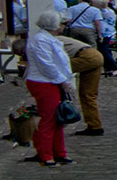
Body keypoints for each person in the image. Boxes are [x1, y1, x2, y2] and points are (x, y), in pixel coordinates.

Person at [23, 11, 73, 167]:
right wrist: (62, 80)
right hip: (44, 81)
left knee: (57, 119)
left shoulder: (47, 39)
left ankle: (59, 152)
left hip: (51, 81)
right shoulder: (40, 40)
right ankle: (46, 154)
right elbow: (47, 64)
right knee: (49, 119)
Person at [59, 33, 105, 136]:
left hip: (86, 56)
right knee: (88, 94)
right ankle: (95, 126)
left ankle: (62, 111)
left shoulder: (47, 41)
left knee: (57, 69)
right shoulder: (56, 38)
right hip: (95, 55)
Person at [95, 0, 117, 76]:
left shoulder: (101, 12)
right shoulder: (110, 11)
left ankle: (115, 67)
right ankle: (109, 68)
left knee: (104, 51)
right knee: (106, 50)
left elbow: (100, 24)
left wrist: (100, 34)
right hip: (111, 31)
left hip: (105, 33)